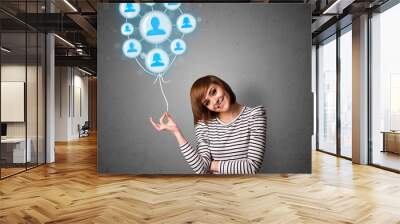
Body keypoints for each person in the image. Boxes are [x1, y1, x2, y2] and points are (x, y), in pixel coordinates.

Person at [150, 75, 266, 174]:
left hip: (245, 192)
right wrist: (177, 133)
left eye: (213, 92)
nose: (215, 101)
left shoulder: (255, 115)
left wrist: (213, 165)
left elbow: (252, 167)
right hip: (214, 193)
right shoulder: (204, 125)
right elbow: (201, 169)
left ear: (222, 85)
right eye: (207, 102)